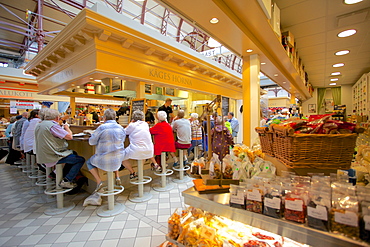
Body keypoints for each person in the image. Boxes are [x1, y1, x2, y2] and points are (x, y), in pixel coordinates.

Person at [34, 108, 85, 188]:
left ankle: (55, 174)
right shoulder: (53, 126)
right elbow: (69, 136)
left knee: (73, 153)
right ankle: (67, 180)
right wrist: (67, 127)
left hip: (43, 154)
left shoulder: (40, 124)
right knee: (80, 160)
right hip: (52, 155)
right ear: (57, 117)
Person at [87, 108, 125, 192]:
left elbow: (91, 142)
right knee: (114, 152)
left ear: (104, 118)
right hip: (119, 159)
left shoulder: (102, 128)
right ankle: (117, 176)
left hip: (104, 160)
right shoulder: (121, 128)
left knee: (89, 162)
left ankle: (99, 181)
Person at [121, 110, 153, 179]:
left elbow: (123, 132)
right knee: (143, 156)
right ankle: (140, 172)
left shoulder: (132, 125)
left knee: (121, 157)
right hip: (149, 151)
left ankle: (132, 172)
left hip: (136, 150)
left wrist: (129, 124)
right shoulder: (146, 124)